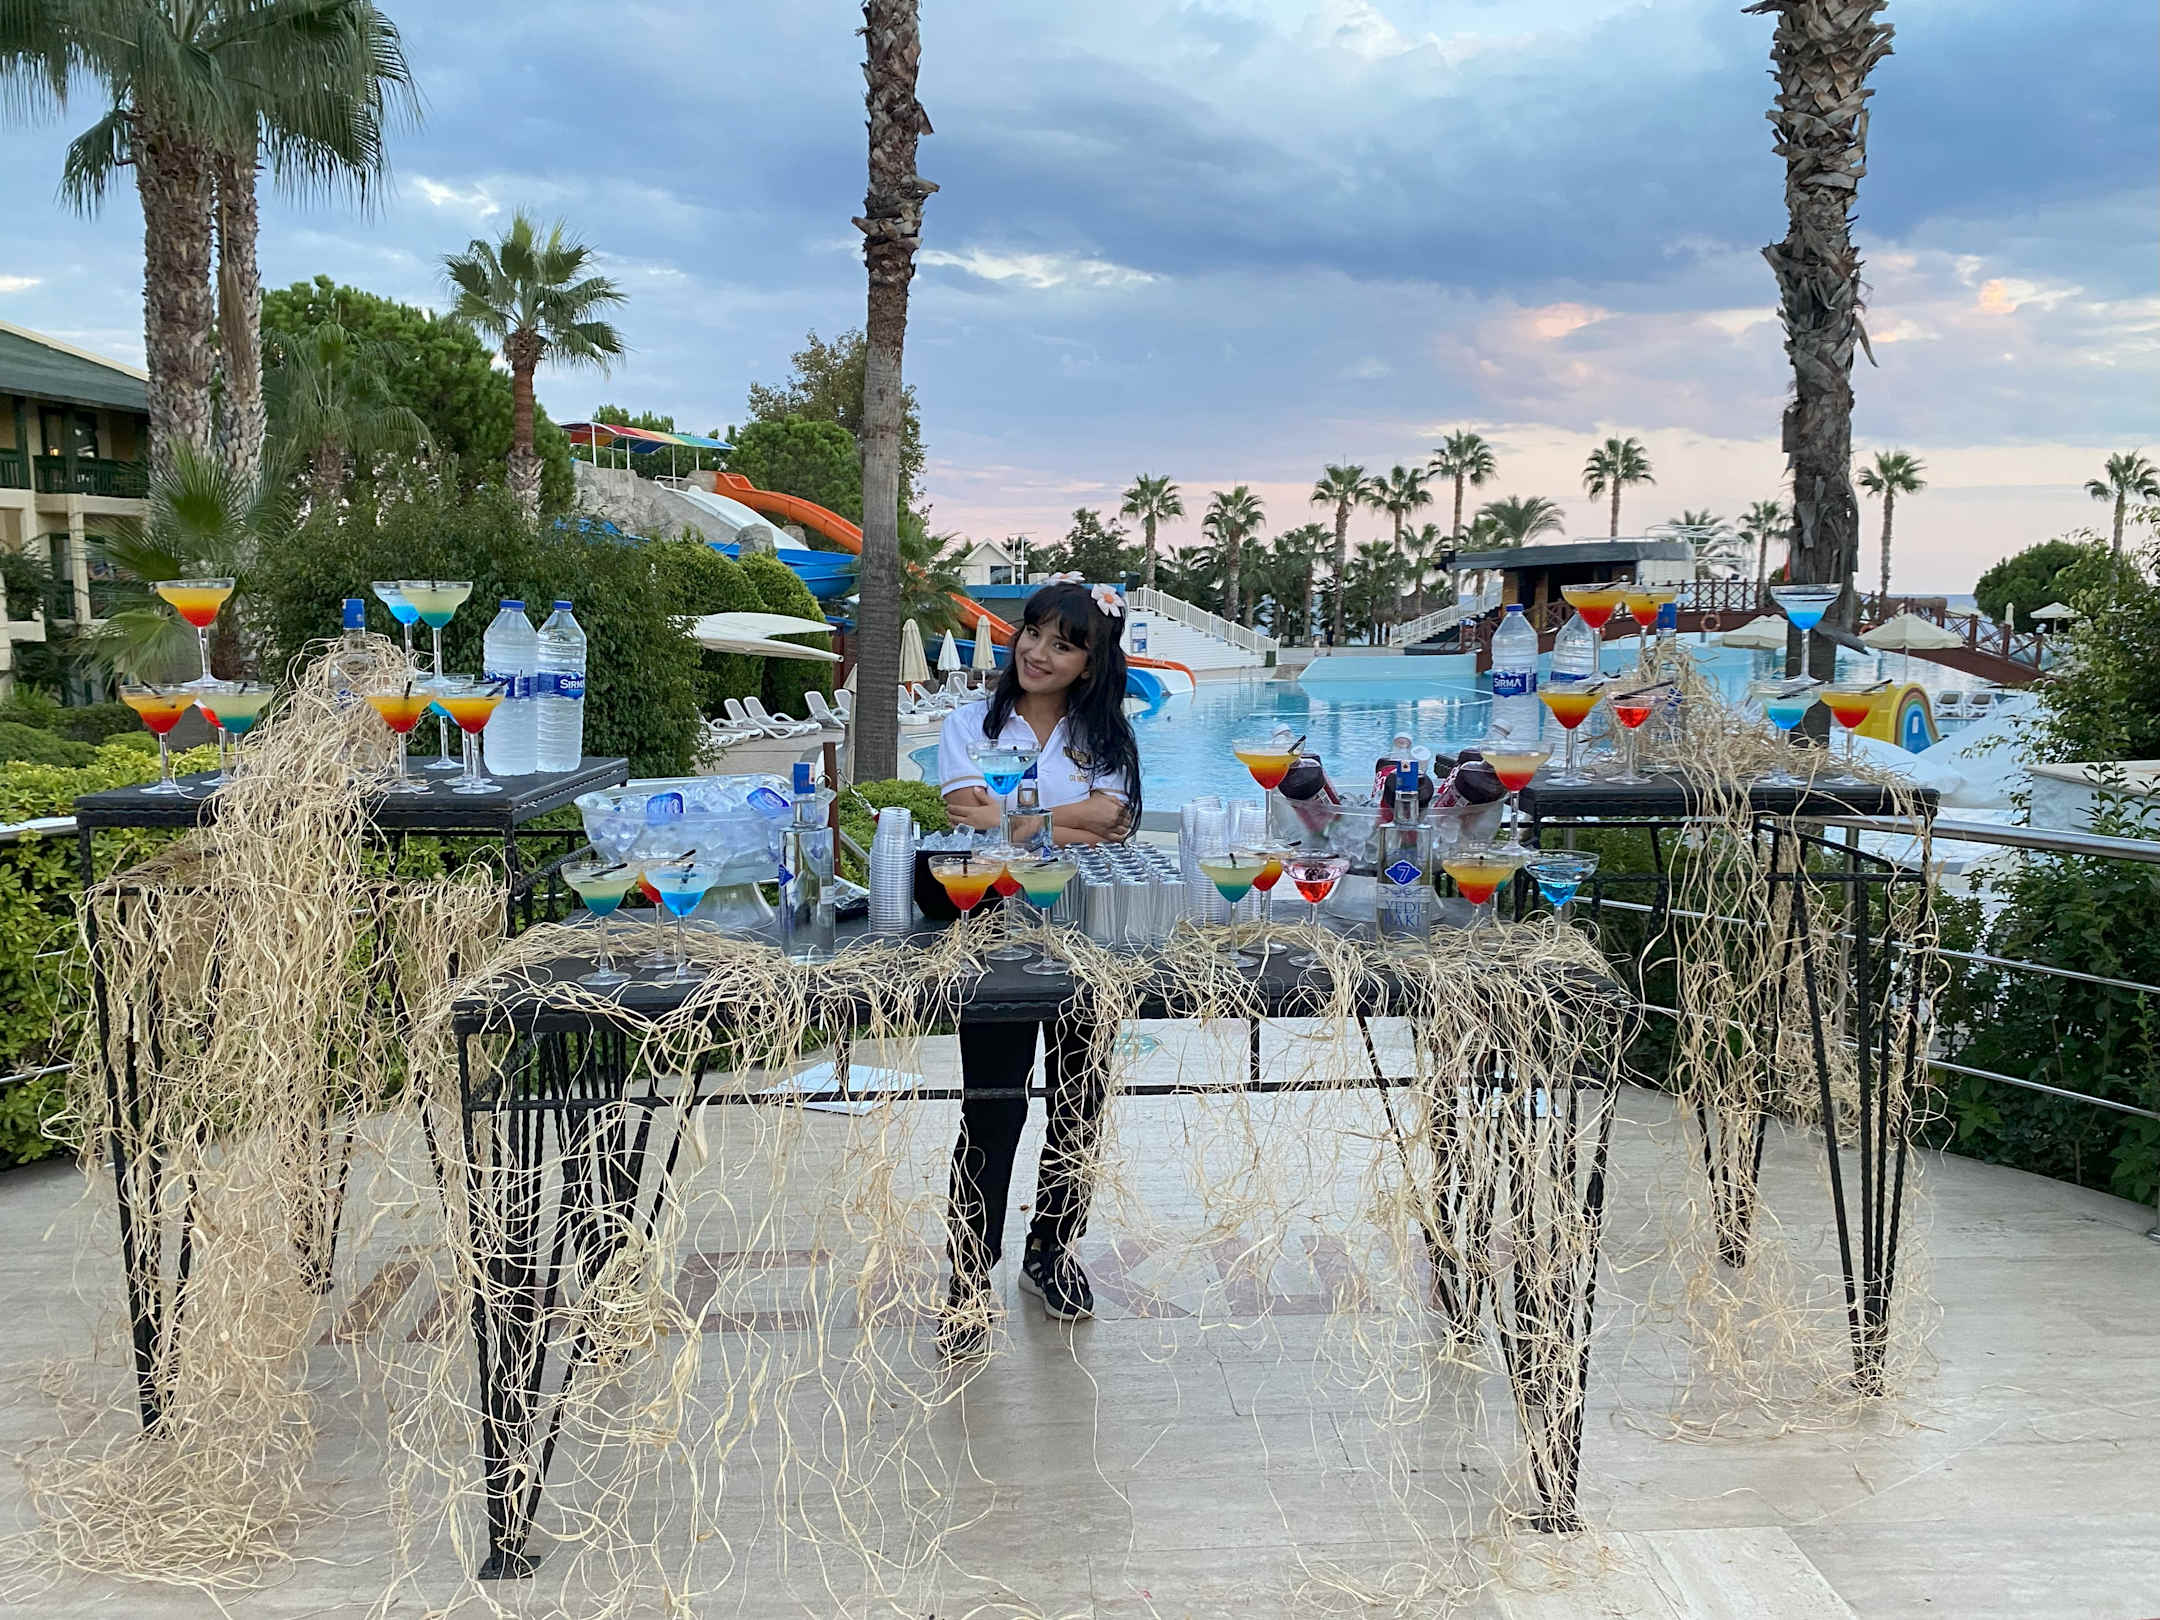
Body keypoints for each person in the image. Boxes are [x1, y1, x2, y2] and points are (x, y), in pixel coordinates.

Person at [935, 577, 1143, 1358]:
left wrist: (1018, 820)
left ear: (1090, 662)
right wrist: (1066, 820)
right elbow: (965, 814)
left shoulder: (1108, 739)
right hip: (992, 930)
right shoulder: (969, 723)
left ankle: (1051, 1252)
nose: (1039, 652)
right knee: (992, 1107)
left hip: (1088, 932)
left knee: (1079, 1102)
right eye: (1033, 634)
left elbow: (1116, 825)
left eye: (1063, 644)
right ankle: (968, 1272)